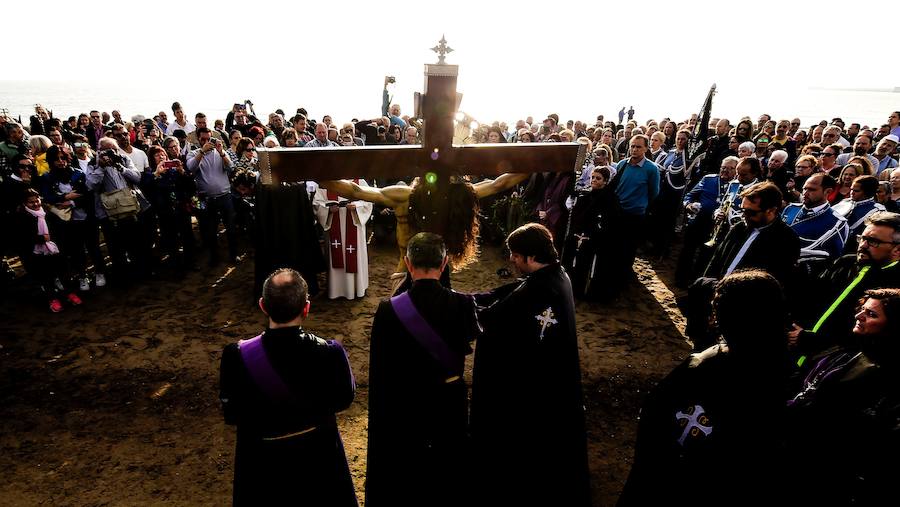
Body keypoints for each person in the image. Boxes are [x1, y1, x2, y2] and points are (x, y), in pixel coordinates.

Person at [619, 270, 789, 506]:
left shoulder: (704, 365)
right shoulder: (786, 372)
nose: (713, 315)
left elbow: (654, 416)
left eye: (718, 307)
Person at [471, 223, 590, 506]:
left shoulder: (538, 290)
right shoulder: (558, 275)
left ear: (530, 256)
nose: (511, 259)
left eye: (515, 255)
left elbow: (494, 318)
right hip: (556, 379)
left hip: (535, 388)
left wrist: (469, 310)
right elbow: (513, 292)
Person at [219, 268, 357, 507]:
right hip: (319, 462)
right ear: (306, 307)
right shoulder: (330, 353)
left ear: (263, 306)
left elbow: (231, 414)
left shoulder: (237, 356)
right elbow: (344, 399)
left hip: (262, 467)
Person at [365, 233, 480, 507]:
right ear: (444, 265)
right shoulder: (463, 304)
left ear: (407, 263)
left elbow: (381, 367)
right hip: (448, 400)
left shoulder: (388, 309)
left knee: (408, 471)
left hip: (405, 402)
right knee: (447, 468)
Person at [785, 288, 900, 506]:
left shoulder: (884, 376)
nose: (859, 316)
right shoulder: (846, 352)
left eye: (872, 314)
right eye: (862, 310)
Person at [789, 211, 900, 361]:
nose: (863, 245)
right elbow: (810, 297)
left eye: (873, 241)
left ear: (897, 249)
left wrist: (817, 341)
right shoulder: (845, 263)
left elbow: (878, 337)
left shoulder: (894, 288)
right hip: (794, 351)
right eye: (862, 238)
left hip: (837, 365)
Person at [12, 189, 83, 312]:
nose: (35, 204)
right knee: (45, 276)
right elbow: (21, 238)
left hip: (54, 249)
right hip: (36, 252)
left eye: (37, 200)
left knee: (63, 273)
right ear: (24, 203)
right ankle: (52, 299)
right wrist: (41, 239)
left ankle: (69, 294)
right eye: (31, 202)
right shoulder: (21, 217)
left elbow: (58, 228)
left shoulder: (47, 212)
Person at [563, 166, 622, 300]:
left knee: (588, 266)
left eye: (598, 178)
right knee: (573, 263)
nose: (594, 180)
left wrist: (595, 232)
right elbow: (576, 216)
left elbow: (610, 220)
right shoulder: (584, 196)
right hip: (580, 236)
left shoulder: (611, 199)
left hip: (595, 239)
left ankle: (586, 292)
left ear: (606, 181)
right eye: (592, 177)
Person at [312, 181, 373, 299]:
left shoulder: (360, 181)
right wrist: (328, 209)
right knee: (337, 256)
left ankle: (357, 288)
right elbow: (317, 204)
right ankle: (336, 290)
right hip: (334, 225)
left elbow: (368, 201)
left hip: (354, 224)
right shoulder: (327, 183)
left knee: (354, 255)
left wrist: (357, 206)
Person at [782, 173, 849, 276]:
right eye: (804, 189)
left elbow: (833, 260)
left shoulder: (837, 222)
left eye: (812, 190)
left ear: (828, 191)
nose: (805, 193)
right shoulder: (790, 209)